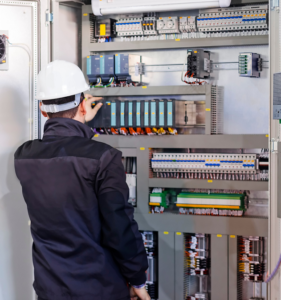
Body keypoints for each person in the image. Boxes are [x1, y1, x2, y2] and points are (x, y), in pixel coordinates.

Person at [14, 60, 150, 300]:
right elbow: (119, 228)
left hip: (50, 288)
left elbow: (66, 152)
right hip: (99, 288)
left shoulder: (24, 156)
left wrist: (83, 124)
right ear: (83, 104)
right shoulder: (104, 158)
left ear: (42, 109)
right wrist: (137, 278)